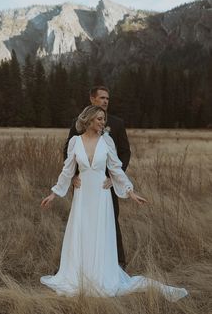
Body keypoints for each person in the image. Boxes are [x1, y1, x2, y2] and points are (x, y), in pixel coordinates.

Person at [40, 105, 188, 301]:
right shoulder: (75, 142)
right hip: (83, 196)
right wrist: (54, 193)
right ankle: (79, 276)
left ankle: (100, 276)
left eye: (104, 119)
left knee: (99, 234)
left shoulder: (106, 141)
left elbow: (116, 169)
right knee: (82, 233)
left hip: (101, 197)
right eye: (100, 119)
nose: (103, 122)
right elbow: (67, 170)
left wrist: (130, 191)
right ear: (89, 120)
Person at [63, 86, 131, 268]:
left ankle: (117, 262)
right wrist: (74, 176)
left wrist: (115, 178)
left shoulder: (117, 123)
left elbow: (124, 152)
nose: (105, 101)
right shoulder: (78, 123)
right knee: (83, 221)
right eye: (102, 97)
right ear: (92, 99)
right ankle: (79, 263)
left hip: (106, 183)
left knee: (110, 220)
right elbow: (68, 152)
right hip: (84, 184)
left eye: (107, 98)